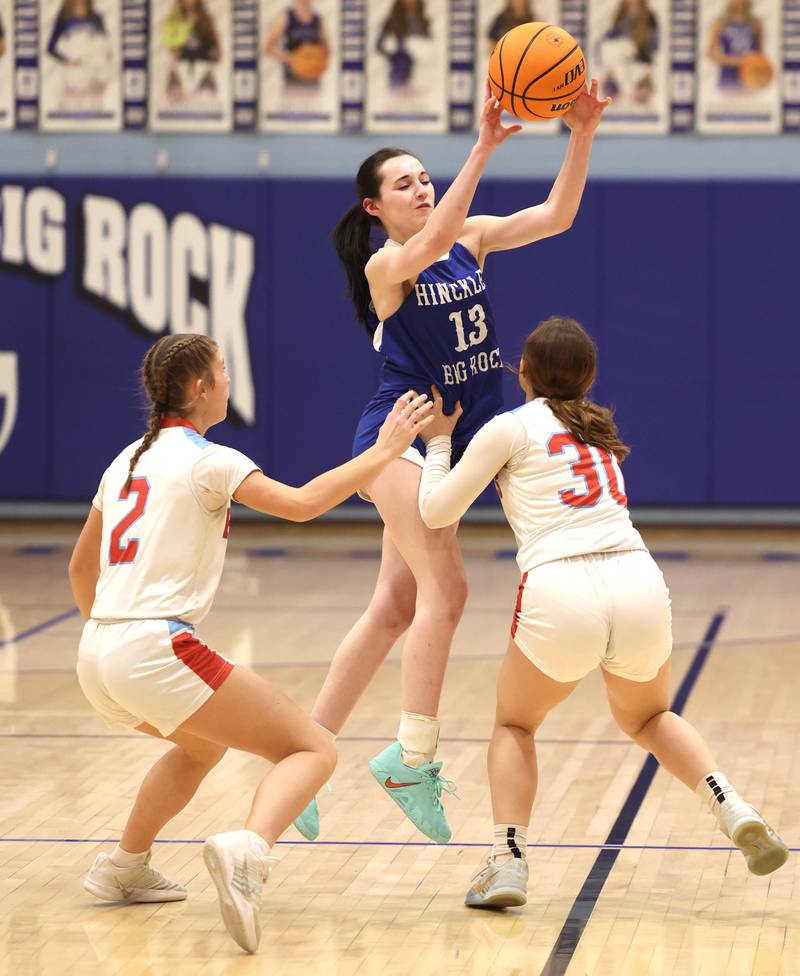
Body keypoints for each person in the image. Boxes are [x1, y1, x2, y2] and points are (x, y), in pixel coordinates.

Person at [293, 82, 611, 846]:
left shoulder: (469, 237)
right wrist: (484, 146)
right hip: (403, 437)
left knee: (394, 607)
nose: (420, 186)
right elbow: (428, 246)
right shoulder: (389, 266)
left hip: (457, 436)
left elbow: (558, 216)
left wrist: (583, 133)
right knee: (448, 591)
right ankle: (412, 757)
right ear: (374, 207)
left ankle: (299, 756)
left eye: (422, 176)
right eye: (403, 182)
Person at [68, 333, 432, 953]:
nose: (229, 380)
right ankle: (250, 852)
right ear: (202, 388)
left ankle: (123, 868)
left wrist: (113, 636)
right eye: (223, 371)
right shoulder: (211, 459)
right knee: (312, 750)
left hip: (96, 652)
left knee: (200, 747)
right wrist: (385, 451)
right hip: (155, 648)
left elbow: (82, 569)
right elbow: (303, 504)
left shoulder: (123, 459)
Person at [415, 316, 790, 907]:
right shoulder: (599, 429)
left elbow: (436, 511)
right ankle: (732, 804)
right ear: (588, 378)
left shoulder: (508, 427)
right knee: (649, 718)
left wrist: (438, 443)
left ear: (524, 373)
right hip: (638, 579)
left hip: (561, 587)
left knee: (515, 725)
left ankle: (507, 860)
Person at [264, 1, 330, 89]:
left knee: (314, 100)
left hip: (312, 78)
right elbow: (269, 48)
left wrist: (319, 61)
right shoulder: (286, 16)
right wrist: (291, 59)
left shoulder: (316, 19)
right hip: (293, 78)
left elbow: (327, 48)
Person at [161, 0, 220, 97]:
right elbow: (167, 40)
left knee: (205, 71)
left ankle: (205, 87)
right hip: (182, 56)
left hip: (202, 57)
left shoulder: (205, 17)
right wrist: (187, 24)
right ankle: (177, 88)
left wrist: (216, 51)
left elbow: (213, 38)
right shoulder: (173, 18)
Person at [706, 0, 763, 91]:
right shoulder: (720, 22)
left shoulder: (756, 23)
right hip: (728, 77)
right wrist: (735, 61)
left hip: (750, 77)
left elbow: (760, 53)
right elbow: (710, 53)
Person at [376, 0, 430, 90]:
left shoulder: (425, 22)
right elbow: (379, 45)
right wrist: (392, 53)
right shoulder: (390, 22)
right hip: (399, 66)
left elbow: (431, 44)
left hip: (422, 72)